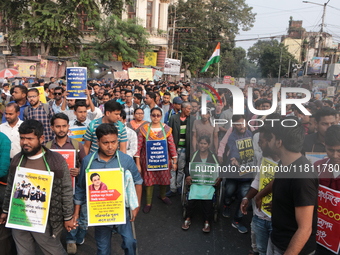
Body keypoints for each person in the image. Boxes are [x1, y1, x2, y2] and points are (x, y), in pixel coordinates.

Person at [0, 119, 74, 254]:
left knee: (54, 251)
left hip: (45, 219)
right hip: (19, 217)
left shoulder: (56, 160)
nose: (25, 142)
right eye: (22, 138)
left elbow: (66, 190)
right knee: (23, 252)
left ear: (41, 138)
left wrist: (68, 217)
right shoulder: (17, 160)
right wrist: (5, 210)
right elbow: (10, 188)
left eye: (29, 138)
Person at [74, 123, 142, 255]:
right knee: (103, 250)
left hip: (121, 210)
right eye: (105, 143)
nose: (110, 146)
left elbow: (138, 181)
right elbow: (81, 188)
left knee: (129, 243)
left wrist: (136, 206)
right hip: (100, 213)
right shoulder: (88, 161)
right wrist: (76, 213)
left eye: (114, 142)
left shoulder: (126, 160)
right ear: (98, 142)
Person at [267, 117, 319, 255]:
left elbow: (305, 229)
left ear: (279, 142)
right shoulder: (283, 163)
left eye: (271, 138)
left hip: (292, 249)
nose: (269, 141)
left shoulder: (303, 177)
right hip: (276, 239)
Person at [48, 112, 87, 254]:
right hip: (53, 189)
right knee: (54, 214)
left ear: (68, 127)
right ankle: (54, 239)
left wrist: (79, 171)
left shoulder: (77, 145)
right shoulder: (47, 146)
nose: (61, 129)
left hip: (72, 188)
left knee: (72, 214)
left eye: (64, 126)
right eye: (57, 126)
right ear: (52, 127)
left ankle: (71, 239)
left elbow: (86, 165)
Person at [240, 123, 279, 255]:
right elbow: (258, 179)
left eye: (261, 142)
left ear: (271, 141)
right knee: (261, 250)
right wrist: (247, 197)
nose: (259, 145)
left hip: (277, 219)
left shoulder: (288, 162)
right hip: (259, 217)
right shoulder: (263, 157)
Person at [135, 108, 177, 213]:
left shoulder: (167, 129)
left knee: (164, 179)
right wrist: (138, 164)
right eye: (153, 115)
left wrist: (174, 160)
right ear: (150, 116)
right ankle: (148, 203)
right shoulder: (143, 129)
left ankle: (162, 196)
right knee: (149, 182)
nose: (156, 117)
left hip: (163, 160)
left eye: (158, 115)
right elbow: (138, 147)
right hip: (148, 161)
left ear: (161, 116)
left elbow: (171, 145)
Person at [182, 136, 221, 233]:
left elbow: (220, 168)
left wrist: (220, 178)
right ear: (198, 144)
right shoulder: (193, 155)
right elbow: (187, 167)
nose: (202, 145)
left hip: (208, 183)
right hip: (196, 182)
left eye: (205, 143)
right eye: (201, 143)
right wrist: (187, 176)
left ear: (208, 145)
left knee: (207, 199)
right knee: (192, 198)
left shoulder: (213, 156)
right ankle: (188, 218)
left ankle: (207, 221)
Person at [223, 115, 253, 234]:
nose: (242, 126)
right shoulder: (232, 137)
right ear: (234, 125)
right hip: (233, 172)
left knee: (244, 197)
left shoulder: (250, 134)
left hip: (246, 174)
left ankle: (236, 221)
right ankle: (226, 205)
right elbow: (235, 153)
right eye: (239, 124)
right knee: (229, 191)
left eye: (243, 123)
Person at [314, 125, 340, 255]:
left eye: (339, 151)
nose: (335, 155)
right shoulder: (318, 167)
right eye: (331, 150)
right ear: (325, 145)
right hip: (321, 232)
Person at [166, 102, 192, 197]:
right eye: (189, 108)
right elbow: (169, 133)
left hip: (185, 148)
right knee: (173, 168)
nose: (190, 110)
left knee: (181, 168)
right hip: (175, 147)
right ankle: (172, 188)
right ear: (184, 109)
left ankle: (179, 186)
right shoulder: (173, 118)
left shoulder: (192, 119)